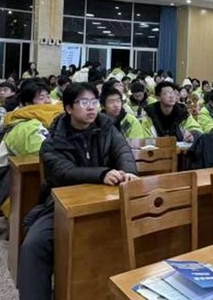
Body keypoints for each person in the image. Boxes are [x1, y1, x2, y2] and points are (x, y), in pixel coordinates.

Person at [18, 82, 138, 300]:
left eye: (94, 102)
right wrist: (101, 174)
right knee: (34, 245)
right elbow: (64, 172)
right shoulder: (53, 141)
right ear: (68, 108)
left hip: (107, 200)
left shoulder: (107, 126)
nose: (91, 107)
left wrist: (129, 172)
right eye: (83, 102)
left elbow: (123, 151)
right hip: (63, 205)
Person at [0, 81, 60, 218]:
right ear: (27, 103)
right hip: (10, 183)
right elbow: (41, 152)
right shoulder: (22, 123)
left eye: (48, 96)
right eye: (41, 98)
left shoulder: (53, 117)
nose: (47, 101)